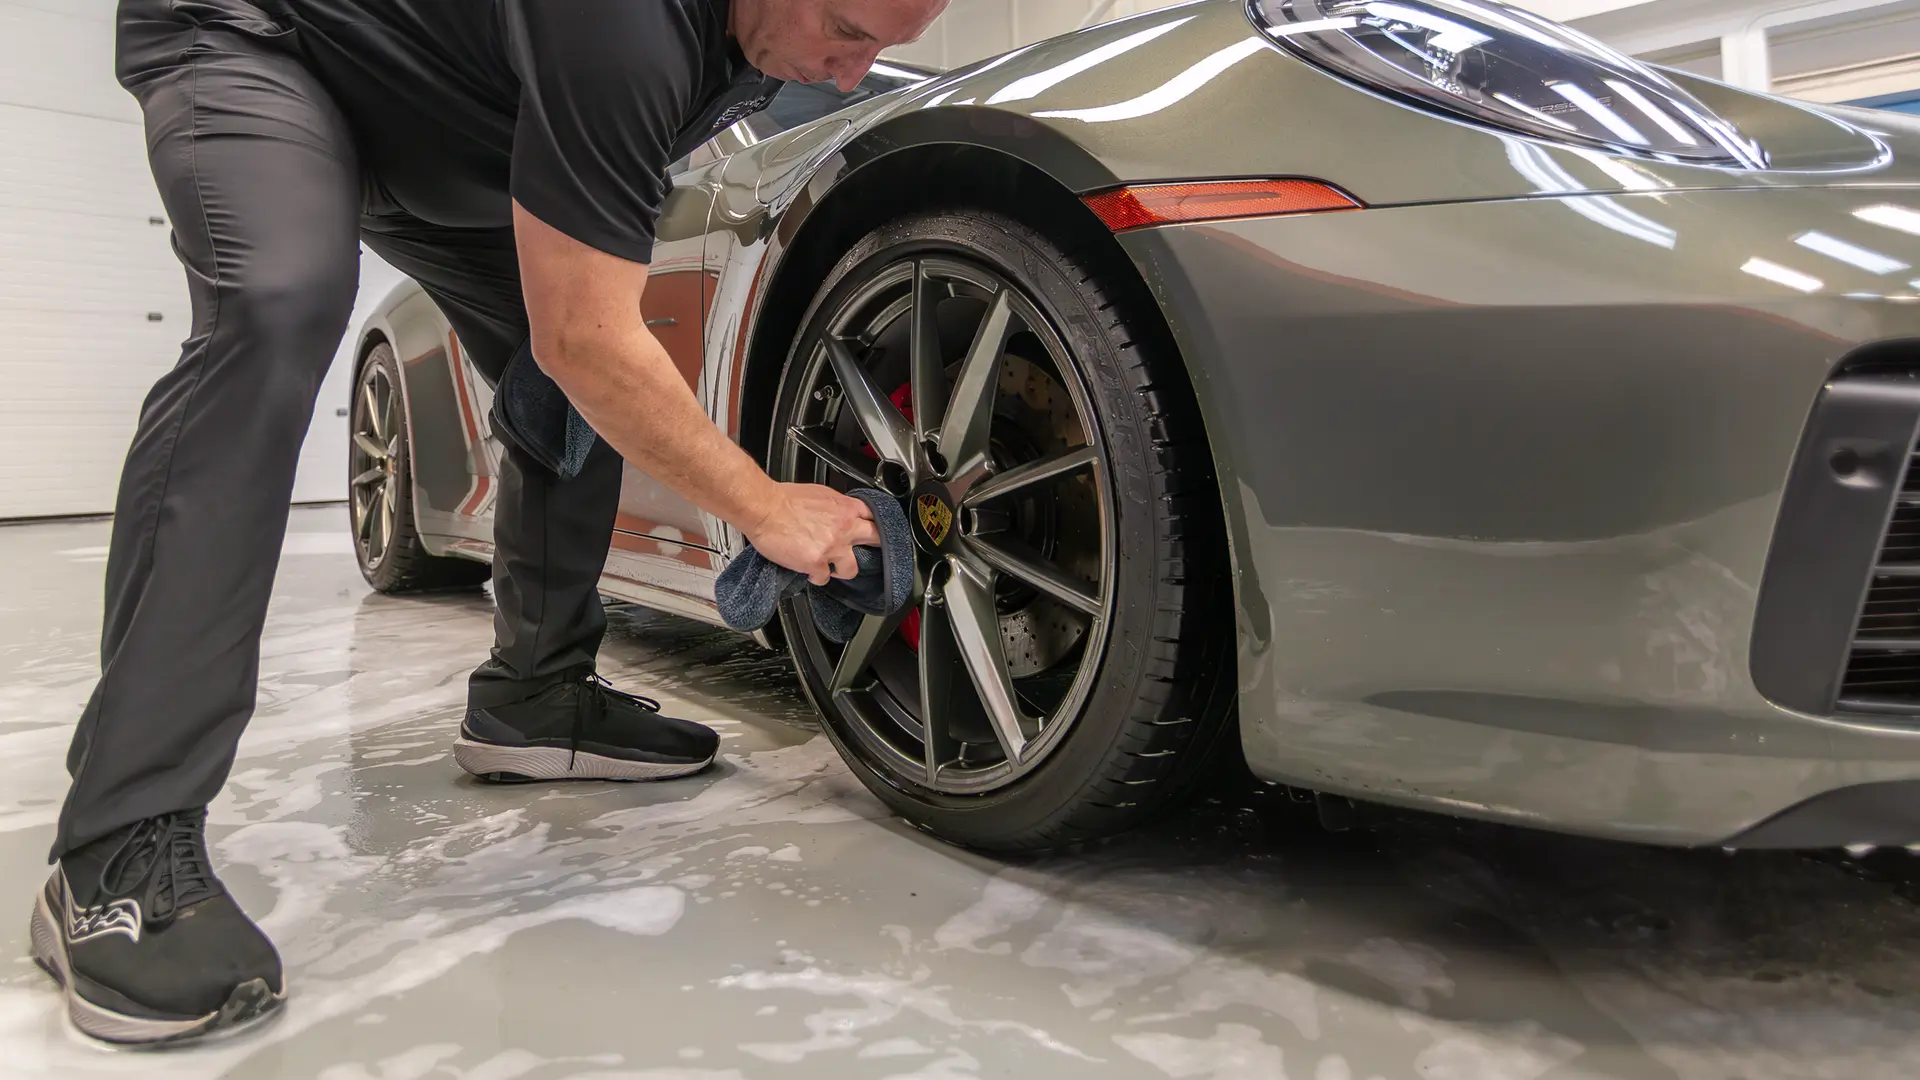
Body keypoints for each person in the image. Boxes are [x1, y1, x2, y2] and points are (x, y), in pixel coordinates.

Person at [34, 0, 945, 1046]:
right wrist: (764, 507)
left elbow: (588, 336)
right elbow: (583, 333)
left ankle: (536, 697)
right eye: (845, 29)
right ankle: (118, 845)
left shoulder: (751, 41)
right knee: (281, 299)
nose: (847, 71)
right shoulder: (628, 23)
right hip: (261, 41)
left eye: (882, 50)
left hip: (440, 135)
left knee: (576, 392)